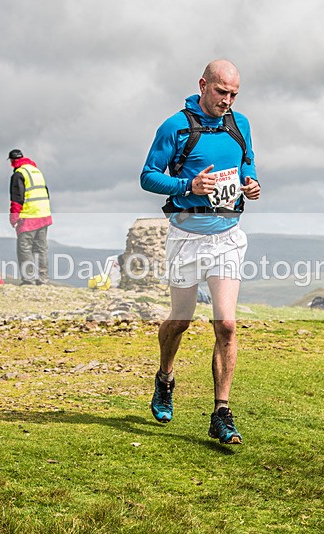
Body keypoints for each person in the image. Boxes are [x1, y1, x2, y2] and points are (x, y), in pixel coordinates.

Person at [140, 59, 260, 445]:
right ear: (203, 85)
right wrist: (187, 186)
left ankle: (221, 413)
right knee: (181, 320)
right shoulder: (174, 126)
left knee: (226, 324)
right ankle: (165, 377)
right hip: (186, 236)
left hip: (227, 237)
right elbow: (148, 176)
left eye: (234, 94)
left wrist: (251, 182)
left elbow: (247, 162)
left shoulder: (240, 124)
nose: (228, 101)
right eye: (222, 92)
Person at [8, 148, 52, 285]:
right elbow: (46, 192)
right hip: (44, 214)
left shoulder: (18, 174)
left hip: (29, 216)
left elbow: (17, 199)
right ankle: (43, 279)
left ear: (12, 161)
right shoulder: (36, 171)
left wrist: (14, 218)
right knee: (41, 248)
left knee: (25, 248)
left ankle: (28, 280)